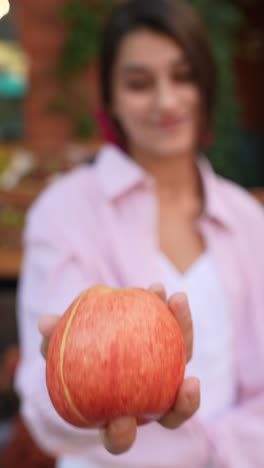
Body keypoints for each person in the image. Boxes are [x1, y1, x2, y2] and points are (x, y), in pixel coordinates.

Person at [15, 0, 264, 467]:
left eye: (183, 76)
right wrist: (62, 382)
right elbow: (42, 409)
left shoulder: (247, 219)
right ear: (110, 100)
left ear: (206, 87)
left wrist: (209, 452)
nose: (166, 101)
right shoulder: (64, 212)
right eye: (139, 83)